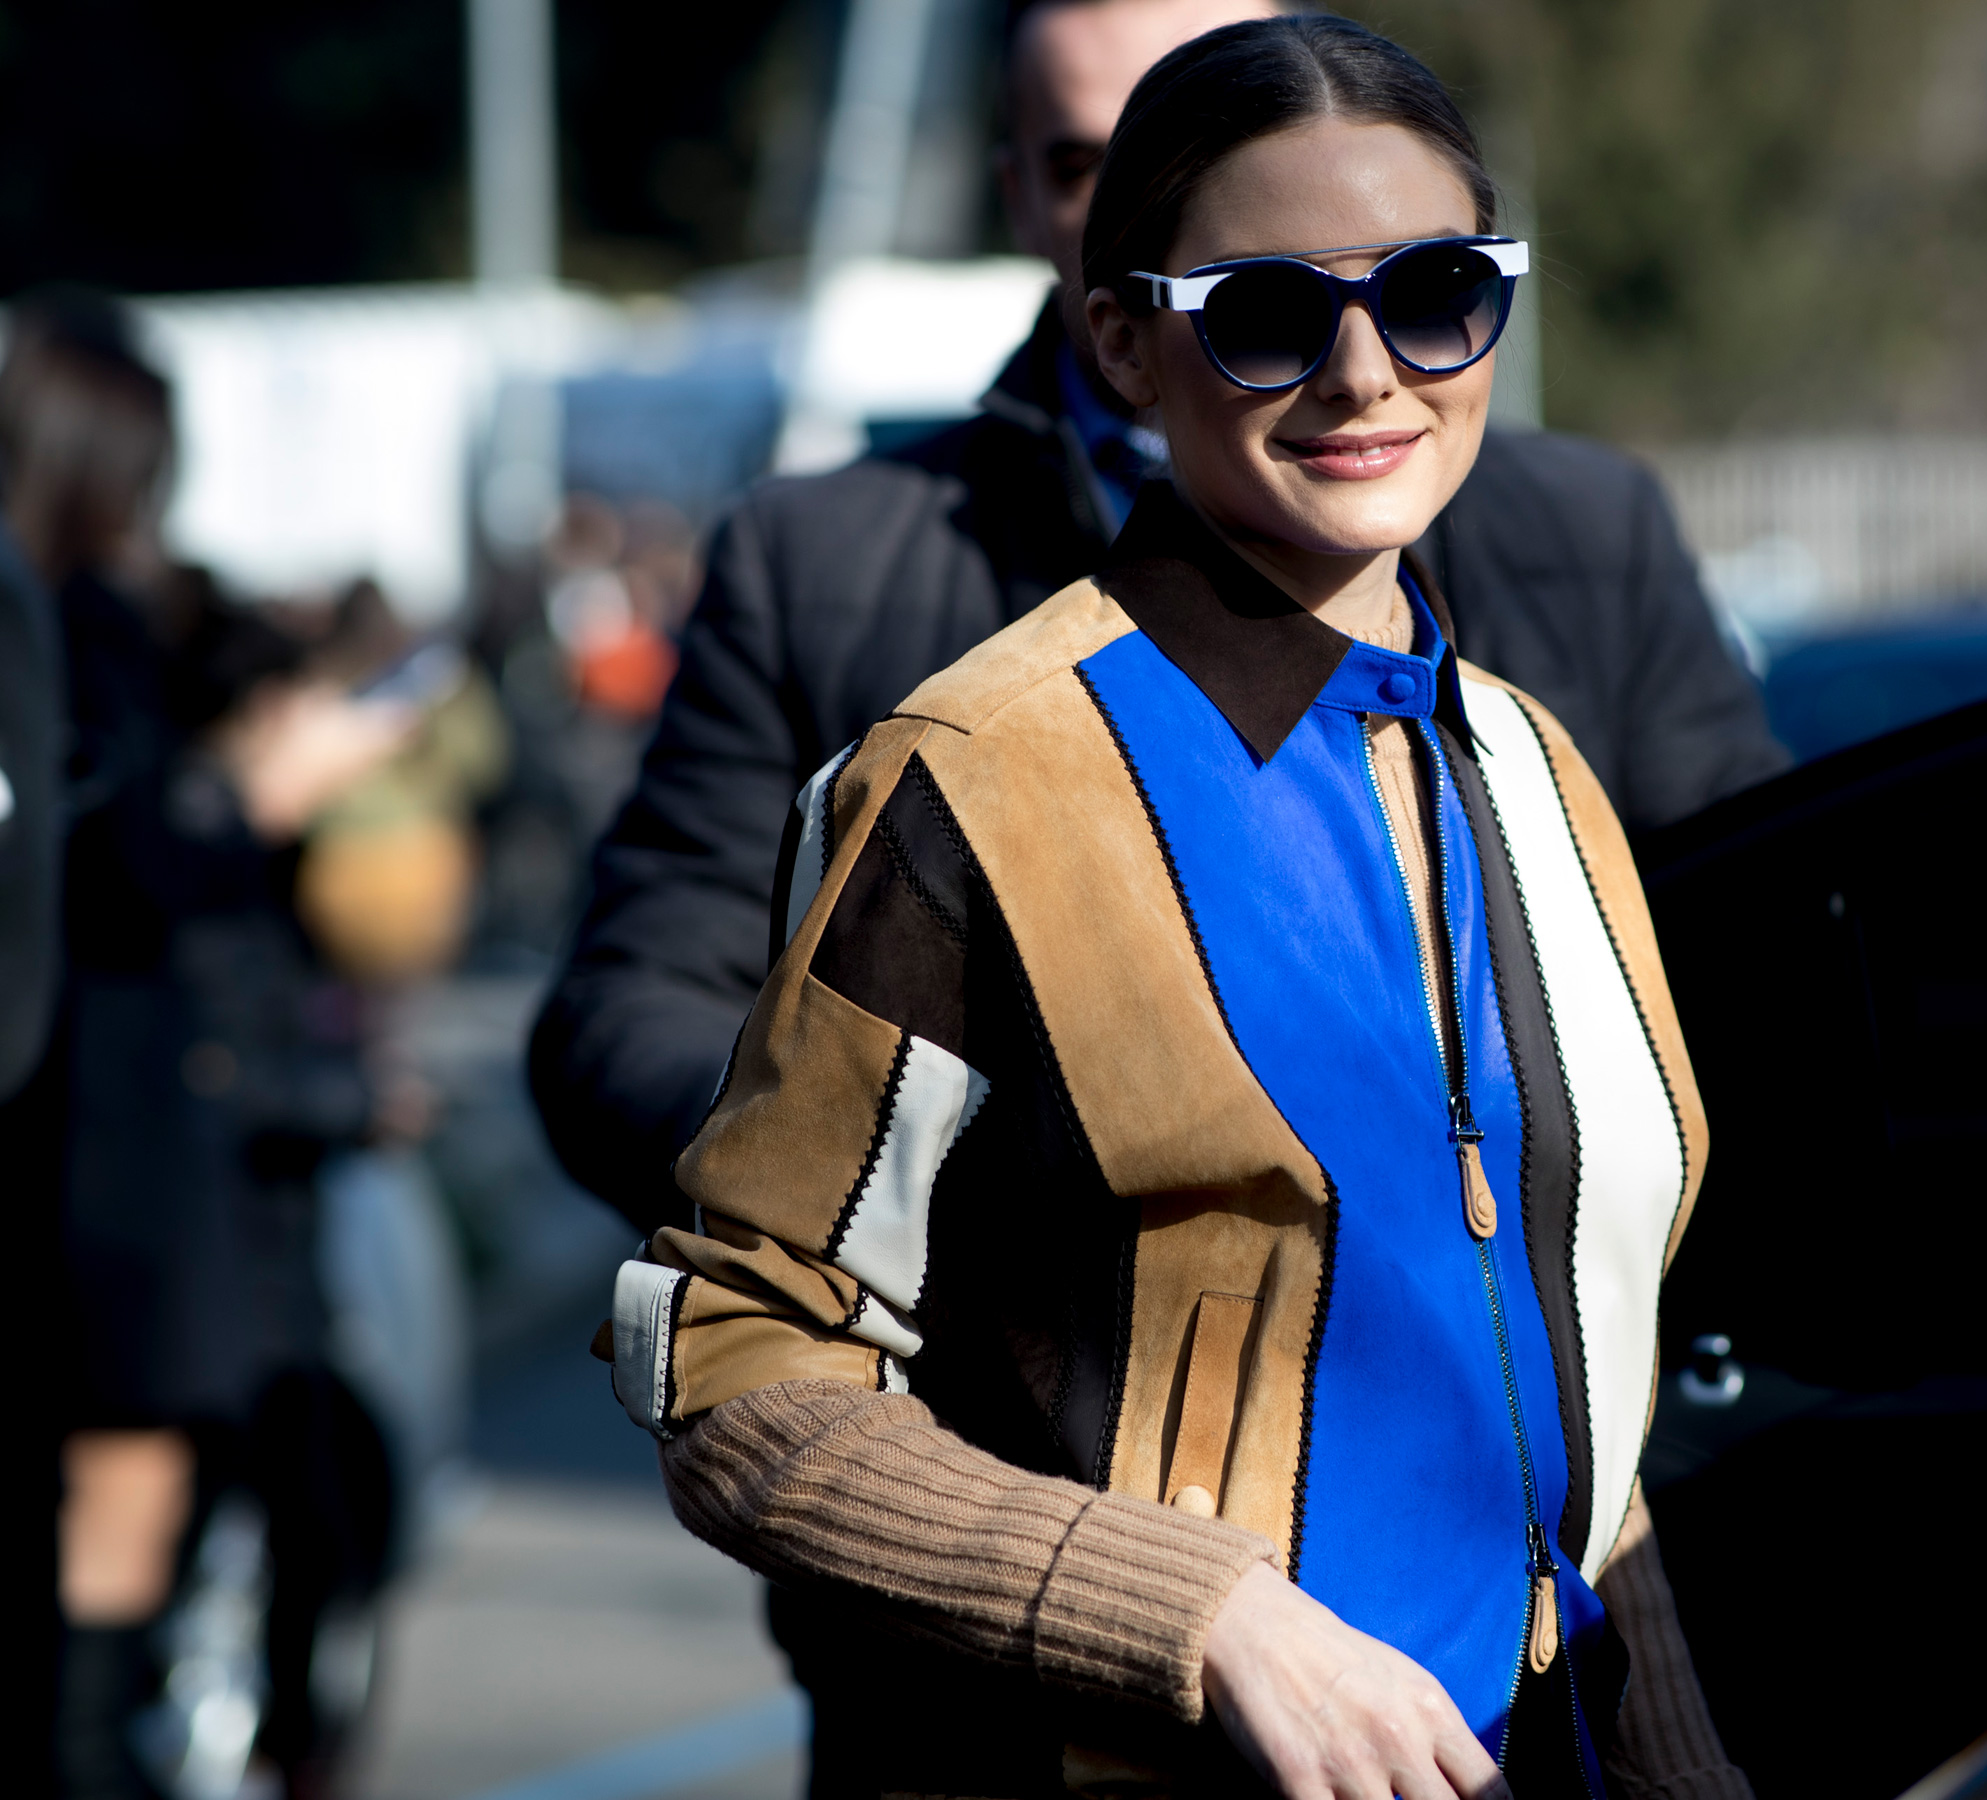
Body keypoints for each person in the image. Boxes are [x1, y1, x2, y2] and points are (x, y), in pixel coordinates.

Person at [605, 18, 1751, 1798]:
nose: (1366, 375)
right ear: (1125, 339)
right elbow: (736, 1363)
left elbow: (1571, 1430)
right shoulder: (974, 779)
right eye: (1269, 314)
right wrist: (1207, 1619)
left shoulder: (1540, 770)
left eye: (1437, 294)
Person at [529, 0, 1789, 1240]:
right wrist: (945, 1228)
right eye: (1098, 158)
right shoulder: (830, 578)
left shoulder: (1579, 550)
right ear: (1028, 202)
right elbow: (641, 1009)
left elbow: (1766, 963)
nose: (1359, 372)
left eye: (1433, 287)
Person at [4, 290, 412, 1800]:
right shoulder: (72, 625)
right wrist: (261, 795)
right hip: (120, 1130)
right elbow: (132, 862)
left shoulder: (63, 618)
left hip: (72, 1119)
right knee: (120, 1513)